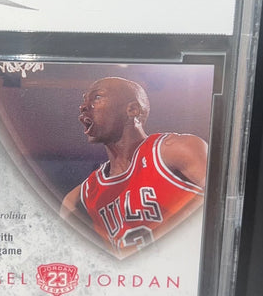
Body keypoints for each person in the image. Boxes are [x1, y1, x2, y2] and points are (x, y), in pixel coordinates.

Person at [60, 77, 208, 257]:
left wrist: (156, 243)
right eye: (84, 100)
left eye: (97, 97)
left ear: (132, 110)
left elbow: (222, 204)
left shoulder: (176, 150)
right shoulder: (78, 198)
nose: (83, 106)